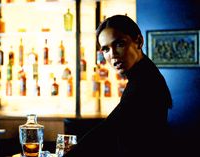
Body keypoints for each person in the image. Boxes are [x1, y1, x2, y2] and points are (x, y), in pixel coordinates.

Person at [63, 15, 172, 157]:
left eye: (119, 44)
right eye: (106, 49)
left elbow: (109, 130)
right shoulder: (144, 74)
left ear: (138, 41)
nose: (113, 54)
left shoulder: (145, 81)